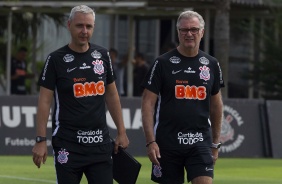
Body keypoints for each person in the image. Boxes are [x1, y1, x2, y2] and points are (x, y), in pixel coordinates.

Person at [32, 5, 129, 184]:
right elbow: (44, 101)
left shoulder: (102, 55)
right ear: (69, 25)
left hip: (100, 144)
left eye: (89, 26)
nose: (84, 31)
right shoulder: (55, 59)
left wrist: (121, 132)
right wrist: (40, 139)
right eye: (79, 26)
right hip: (67, 145)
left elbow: (112, 96)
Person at [141, 10, 224, 184]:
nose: (189, 34)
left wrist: (215, 144)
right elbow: (147, 103)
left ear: (202, 32)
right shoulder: (162, 63)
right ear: (178, 32)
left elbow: (216, 106)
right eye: (184, 30)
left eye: (194, 29)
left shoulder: (211, 64)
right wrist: (150, 142)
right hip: (167, 143)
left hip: (200, 141)